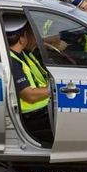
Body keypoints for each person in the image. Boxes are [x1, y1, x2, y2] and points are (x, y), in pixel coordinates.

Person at [4, 15, 53, 146]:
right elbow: (29, 95)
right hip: (32, 117)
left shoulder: (23, 54)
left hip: (43, 109)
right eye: (30, 33)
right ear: (22, 38)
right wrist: (54, 91)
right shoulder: (13, 61)